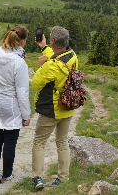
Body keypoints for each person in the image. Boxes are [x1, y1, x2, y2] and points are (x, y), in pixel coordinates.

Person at [31, 26, 79, 190]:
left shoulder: (51, 66)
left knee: (39, 142)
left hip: (51, 109)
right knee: (62, 141)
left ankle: (37, 177)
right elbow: (57, 58)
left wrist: (41, 65)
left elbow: (36, 83)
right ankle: (63, 177)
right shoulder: (72, 56)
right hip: (68, 107)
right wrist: (44, 47)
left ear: (53, 41)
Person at [0, 26, 31, 185]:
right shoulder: (19, 63)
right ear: (22, 41)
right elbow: (22, 92)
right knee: (10, 140)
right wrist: (26, 115)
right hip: (10, 104)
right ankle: (8, 174)